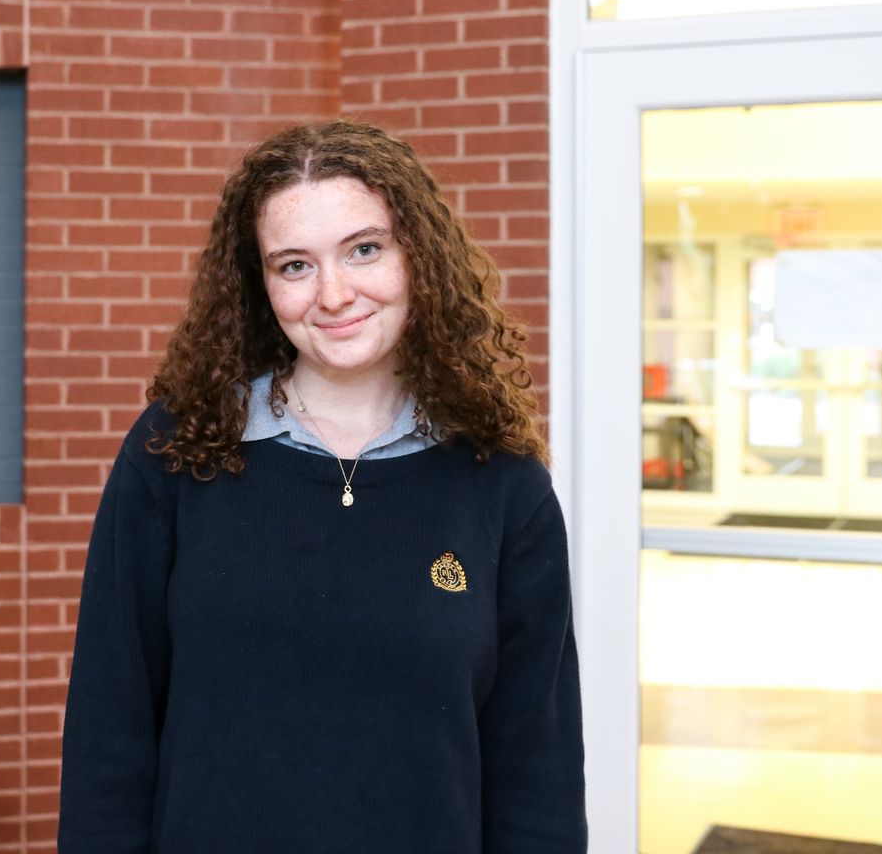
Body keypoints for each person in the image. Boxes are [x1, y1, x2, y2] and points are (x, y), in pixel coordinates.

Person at [58, 120, 586, 853]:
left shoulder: (502, 484)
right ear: (260, 285)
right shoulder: (176, 452)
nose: (334, 294)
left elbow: (538, 767)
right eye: (295, 265)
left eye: (364, 249)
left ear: (419, 258)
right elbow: (108, 729)